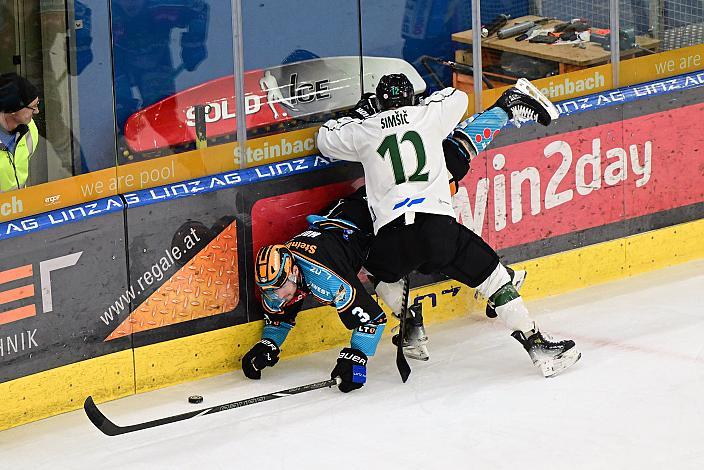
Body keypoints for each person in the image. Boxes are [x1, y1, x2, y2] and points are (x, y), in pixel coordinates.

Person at [243, 98, 536, 390]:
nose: (276, 295)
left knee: (447, 167)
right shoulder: (280, 274)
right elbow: (279, 313)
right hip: (353, 215)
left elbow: (370, 319)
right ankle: (432, 311)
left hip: (379, 216)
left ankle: (505, 107)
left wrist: (356, 356)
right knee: (443, 171)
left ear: (292, 272)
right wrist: (269, 344)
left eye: (278, 289)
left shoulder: (323, 277)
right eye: (272, 290)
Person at [317, 74, 581, 378]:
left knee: (375, 267)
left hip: (391, 237)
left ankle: (409, 324)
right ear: (412, 98)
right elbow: (458, 97)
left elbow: (324, 138)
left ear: (379, 103)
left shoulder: (364, 131)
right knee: (495, 278)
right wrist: (422, 108)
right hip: (436, 229)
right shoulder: (429, 114)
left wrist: (362, 115)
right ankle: (536, 344)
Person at [0, 73, 40, 192]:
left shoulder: (30, 128)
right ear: (12, 110)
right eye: (33, 107)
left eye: (37, 104)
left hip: (20, 206)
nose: (37, 111)